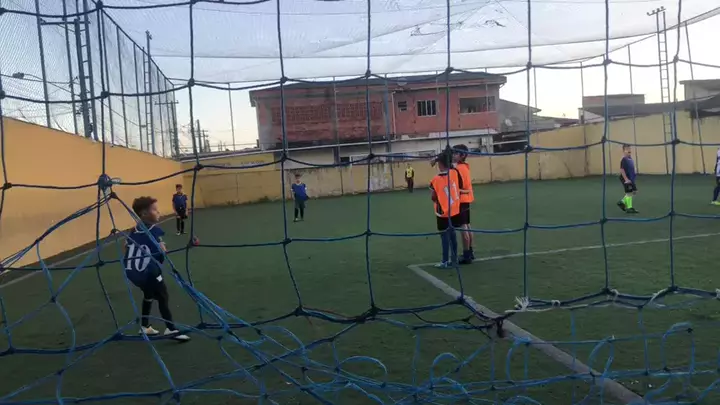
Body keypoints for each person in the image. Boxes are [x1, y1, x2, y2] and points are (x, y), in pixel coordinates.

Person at [124, 196, 190, 341]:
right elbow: (160, 256)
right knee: (162, 296)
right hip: (149, 273)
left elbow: (127, 247)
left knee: (148, 295)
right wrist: (162, 249)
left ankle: (144, 326)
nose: (158, 212)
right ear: (144, 214)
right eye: (154, 210)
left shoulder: (133, 230)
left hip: (134, 274)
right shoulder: (154, 230)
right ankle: (170, 329)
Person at [429, 149, 463, 268]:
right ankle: (454, 259)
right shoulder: (454, 173)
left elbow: (433, 197)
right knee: (453, 235)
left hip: (442, 213)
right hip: (455, 210)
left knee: (444, 237)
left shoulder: (435, 180)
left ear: (440, 164)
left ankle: (444, 261)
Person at [453, 144, 475, 264]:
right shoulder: (465, 167)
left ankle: (466, 255)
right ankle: (470, 251)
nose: (454, 155)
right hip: (466, 199)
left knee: (463, 227)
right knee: (467, 225)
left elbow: (458, 187)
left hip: (461, 200)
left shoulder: (458, 169)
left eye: (456, 153)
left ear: (462, 155)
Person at [617, 144, 638, 214]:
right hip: (625, 178)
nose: (629, 150)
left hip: (631, 178)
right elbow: (622, 170)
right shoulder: (624, 160)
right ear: (623, 151)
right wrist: (626, 179)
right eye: (627, 149)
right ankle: (629, 208)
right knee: (629, 192)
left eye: (629, 149)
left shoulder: (630, 159)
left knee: (634, 192)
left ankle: (622, 202)